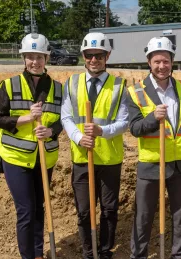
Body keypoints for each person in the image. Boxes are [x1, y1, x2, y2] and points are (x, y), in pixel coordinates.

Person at [0, 33, 62, 259]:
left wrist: (51, 131)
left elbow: (63, 120)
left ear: (46, 58)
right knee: (25, 210)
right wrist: (26, 119)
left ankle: (38, 253)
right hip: (15, 158)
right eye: (30, 57)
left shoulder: (58, 89)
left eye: (39, 56)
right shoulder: (9, 85)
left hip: (44, 158)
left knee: (40, 208)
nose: (35, 61)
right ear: (24, 58)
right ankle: (27, 256)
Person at [61, 32, 130, 259]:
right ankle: (88, 252)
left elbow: (124, 121)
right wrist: (79, 137)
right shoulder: (72, 83)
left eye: (99, 55)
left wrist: (102, 131)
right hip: (82, 157)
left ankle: (105, 250)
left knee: (109, 210)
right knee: (84, 210)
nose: (94, 60)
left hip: (110, 159)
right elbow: (66, 117)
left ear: (107, 55)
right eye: (89, 55)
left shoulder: (119, 85)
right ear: (83, 55)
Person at [127, 36, 181, 259]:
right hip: (151, 164)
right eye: (156, 61)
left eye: (165, 61)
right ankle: (139, 256)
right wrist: (152, 118)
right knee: (143, 217)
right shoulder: (136, 92)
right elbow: (135, 128)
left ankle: (178, 255)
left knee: (180, 216)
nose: (161, 66)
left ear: (172, 61)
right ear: (149, 62)